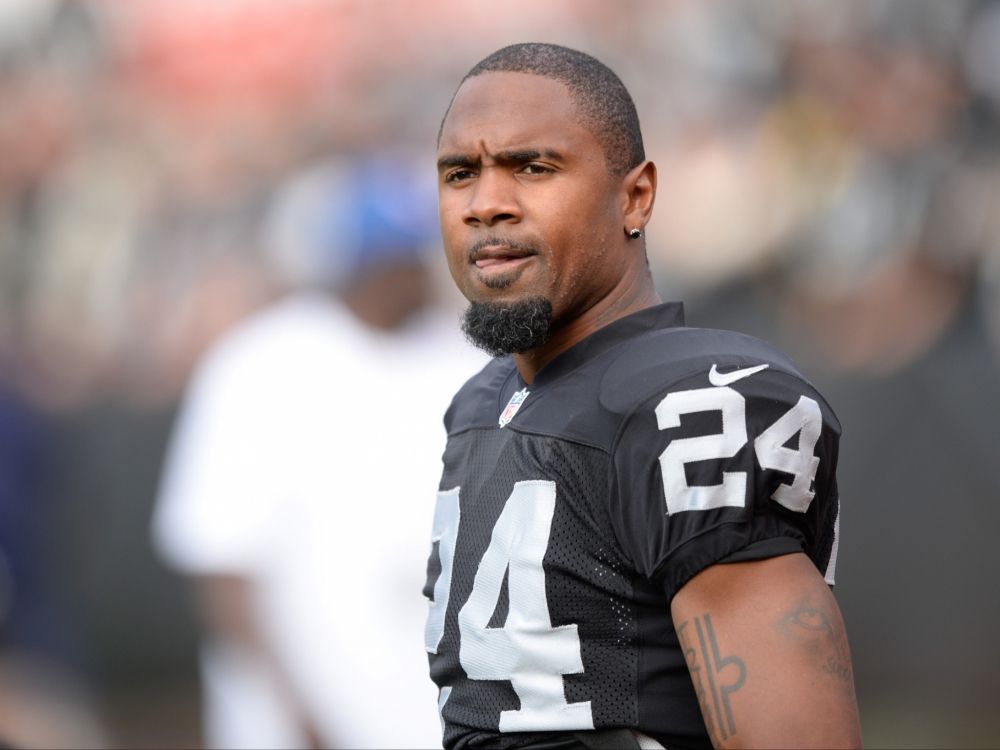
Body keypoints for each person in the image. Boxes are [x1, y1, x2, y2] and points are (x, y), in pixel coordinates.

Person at [422, 43, 861, 749]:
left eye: (534, 168)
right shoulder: (486, 401)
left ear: (636, 196)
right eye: (459, 173)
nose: (487, 204)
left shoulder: (695, 404)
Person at [153, 155, 485, 749]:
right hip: (301, 719)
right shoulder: (261, 363)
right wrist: (297, 716)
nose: (412, 271)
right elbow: (222, 569)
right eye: (394, 257)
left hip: (435, 715)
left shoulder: (466, 358)